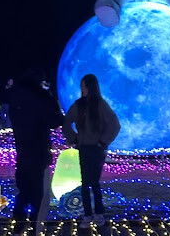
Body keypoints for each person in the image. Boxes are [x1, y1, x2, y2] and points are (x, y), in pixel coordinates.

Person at [9, 69, 65, 234]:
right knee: (39, 194)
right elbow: (55, 120)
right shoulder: (40, 98)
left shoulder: (15, 98)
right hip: (39, 152)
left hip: (22, 151)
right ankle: (36, 226)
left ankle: (19, 222)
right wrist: (50, 98)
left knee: (24, 190)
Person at [64, 73, 120, 228]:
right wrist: (74, 139)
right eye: (81, 86)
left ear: (91, 87)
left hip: (97, 149)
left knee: (94, 182)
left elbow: (114, 125)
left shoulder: (101, 105)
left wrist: (103, 142)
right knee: (85, 183)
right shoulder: (79, 105)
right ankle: (87, 215)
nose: (82, 89)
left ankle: (98, 214)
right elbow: (66, 122)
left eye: (85, 86)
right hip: (83, 148)